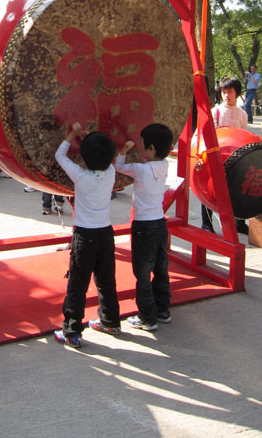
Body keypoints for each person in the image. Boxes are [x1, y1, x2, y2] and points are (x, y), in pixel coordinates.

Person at [53, 122, 120, 348]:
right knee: (107, 281)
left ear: (84, 157)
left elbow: (60, 155)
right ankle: (111, 322)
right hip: (105, 236)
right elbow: (109, 156)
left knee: (77, 285)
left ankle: (71, 332)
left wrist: (71, 135)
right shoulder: (111, 173)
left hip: (84, 237)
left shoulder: (80, 176)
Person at [115, 123, 173, 332]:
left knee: (142, 273)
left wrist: (123, 150)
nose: (140, 148)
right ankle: (162, 310)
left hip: (143, 226)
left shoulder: (141, 170)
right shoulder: (165, 165)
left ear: (151, 149)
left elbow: (118, 166)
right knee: (160, 269)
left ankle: (147, 317)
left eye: (142, 145)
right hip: (160, 223)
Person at [201, 77, 249, 235]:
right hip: (217, 154)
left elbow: (243, 136)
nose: (226, 95)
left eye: (230, 92)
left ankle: (239, 223)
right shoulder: (216, 111)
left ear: (237, 93)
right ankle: (206, 223)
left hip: (235, 156)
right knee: (209, 190)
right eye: (224, 92)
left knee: (237, 188)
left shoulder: (242, 114)